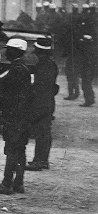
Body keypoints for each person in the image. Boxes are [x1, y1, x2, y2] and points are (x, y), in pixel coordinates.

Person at [0, 38, 33, 195]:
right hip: (22, 117)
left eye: (9, 50)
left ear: (15, 52)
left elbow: (9, 94)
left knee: (12, 150)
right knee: (19, 150)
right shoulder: (21, 68)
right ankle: (18, 184)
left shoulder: (17, 69)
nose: (6, 52)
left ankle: (6, 184)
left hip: (15, 117)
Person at [26, 38, 59, 171]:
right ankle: (42, 160)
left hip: (41, 102)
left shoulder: (44, 65)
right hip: (47, 101)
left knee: (42, 131)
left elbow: (41, 87)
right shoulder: (49, 64)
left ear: (39, 51)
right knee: (44, 131)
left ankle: (39, 161)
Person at [72, 9, 96, 107]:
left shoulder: (88, 45)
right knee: (86, 82)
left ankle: (89, 100)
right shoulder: (92, 42)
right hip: (90, 64)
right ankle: (90, 99)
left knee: (86, 82)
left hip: (89, 64)